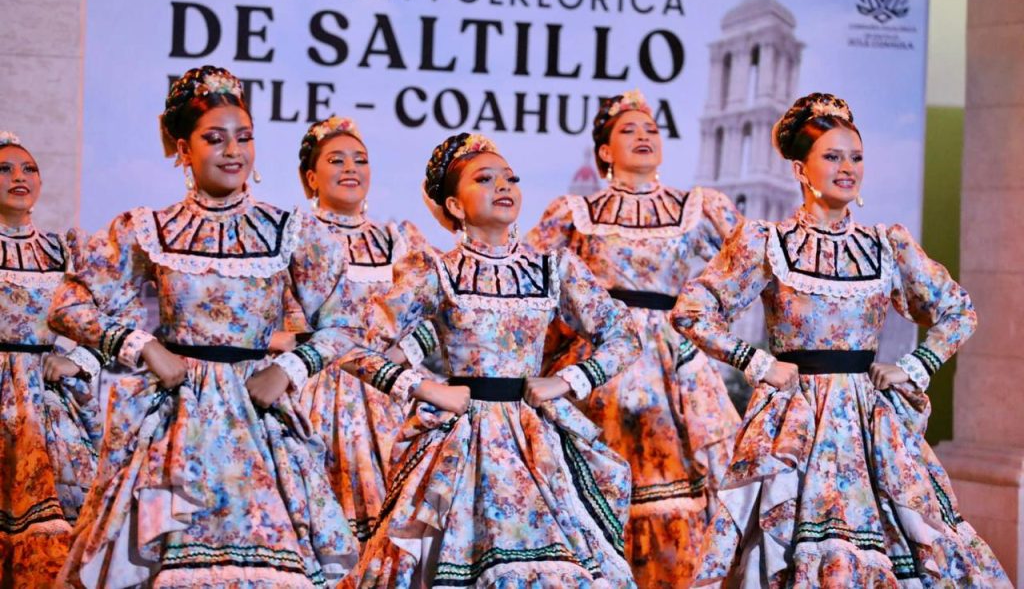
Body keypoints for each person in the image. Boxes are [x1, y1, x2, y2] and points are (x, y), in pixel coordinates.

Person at [673, 93, 1010, 586]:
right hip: (796, 420)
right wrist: (758, 364)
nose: (847, 168)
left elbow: (958, 310)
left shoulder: (886, 244)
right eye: (832, 156)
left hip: (871, 425)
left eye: (856, 157)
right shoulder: (766, 242)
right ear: (800, 169)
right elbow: (692, 310)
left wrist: (913, 367)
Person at [48, 66, 359, 587]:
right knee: (163, 562)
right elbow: (67, 304)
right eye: (214, 139)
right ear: (183, 149)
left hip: (257, 420)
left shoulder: (288, 229)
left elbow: (346, 320)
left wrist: (288, 369)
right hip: (176, 420)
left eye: (244, 137)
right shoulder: (151, 228)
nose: (233, 151)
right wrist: (143, 347)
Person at [342, 132, 642, 587]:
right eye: (484, 179)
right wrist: (425, 388)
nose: (503, 186)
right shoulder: (436, 271)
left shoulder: (552, 268)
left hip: (535, 441)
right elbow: (347, 341)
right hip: (462, 443)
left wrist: (568, 380)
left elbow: (624, 334)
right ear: (455, 206)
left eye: (510, 178)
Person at [528, 89, 743, 586]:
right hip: (601, 363)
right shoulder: (574, 212)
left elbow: (753, 265)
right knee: (597, 488)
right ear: (605, 150)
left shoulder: (698, 207)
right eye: (629, 130)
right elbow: (529, 280)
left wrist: (711, 318)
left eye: (651, 128)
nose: (644, 136)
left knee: (682, 490)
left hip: (674, 366)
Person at [283, 115, 434, 545]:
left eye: (360, 160)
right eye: (336, 160)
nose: (351, 168)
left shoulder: (397, 239)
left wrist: (398, 358)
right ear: (311, 178)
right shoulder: (290, 238)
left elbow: (439, 312)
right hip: (312, 391)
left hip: (389, 393)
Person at [0, 131, 121, 586]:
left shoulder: (63, 251)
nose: (19, 177)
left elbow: (113, 318)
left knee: (63, 536)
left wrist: (78, 360)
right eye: (4, 169)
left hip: (47, 406)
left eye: (29, 169)